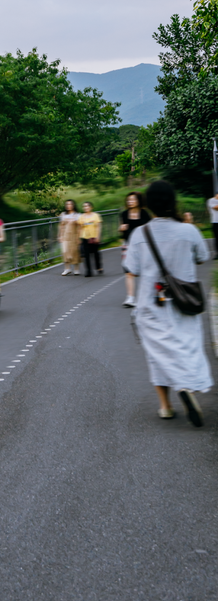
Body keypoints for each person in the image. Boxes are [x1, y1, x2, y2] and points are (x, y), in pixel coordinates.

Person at [125, 180, 211, 426]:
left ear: (148, 205)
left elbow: (132, 268)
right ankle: (187, 388)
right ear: (173, 202)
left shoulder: (140, 233)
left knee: (158, 353)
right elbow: (203, 257)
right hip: (185, 302)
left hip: (152, 304)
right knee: (187, 346)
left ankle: (165, 406)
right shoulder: (188, 230)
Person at [119, 191, 150, 307]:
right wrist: (121, 229)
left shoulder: (145, 214)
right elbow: (121, 230)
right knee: (129, 271)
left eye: (133, 199)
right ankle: (130, 298)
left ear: (139, 201)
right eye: (129, 200)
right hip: (128, 245)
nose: (130, 202)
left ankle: (146, 296)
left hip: (144, 246)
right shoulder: (124, 214)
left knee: (145, 271)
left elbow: (150, 229)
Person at [78, 202, 103, 276]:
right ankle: (88, 270)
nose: (86, 208)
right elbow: (80, 227)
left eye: (87, 206)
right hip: (85, 237)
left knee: (96, 253)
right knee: (86, 255)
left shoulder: (96, 216)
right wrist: (79, 237)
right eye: (84, 206)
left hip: (94, 236)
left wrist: (98, 236)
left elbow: (98, 226)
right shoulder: (82, 217)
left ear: (91, 207)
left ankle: (98, 266)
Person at [58, 200, 80, 275]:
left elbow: (79, 227)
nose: (68, 206)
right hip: (65, 235)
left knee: (74, 251)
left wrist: (78, 237)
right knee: (65, 251)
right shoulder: (63, 214)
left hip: (74, 235)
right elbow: (61, 226)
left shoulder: (77, 215)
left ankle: (76, 269)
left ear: (73, 205)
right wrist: (60, 236)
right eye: (67, 204)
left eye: (70, 204)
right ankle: (67, 268)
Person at [206, 192, 218, 259]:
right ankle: (217, 253)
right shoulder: (211, 200)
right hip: (215, 221)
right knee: (216, 238)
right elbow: (216, 207)